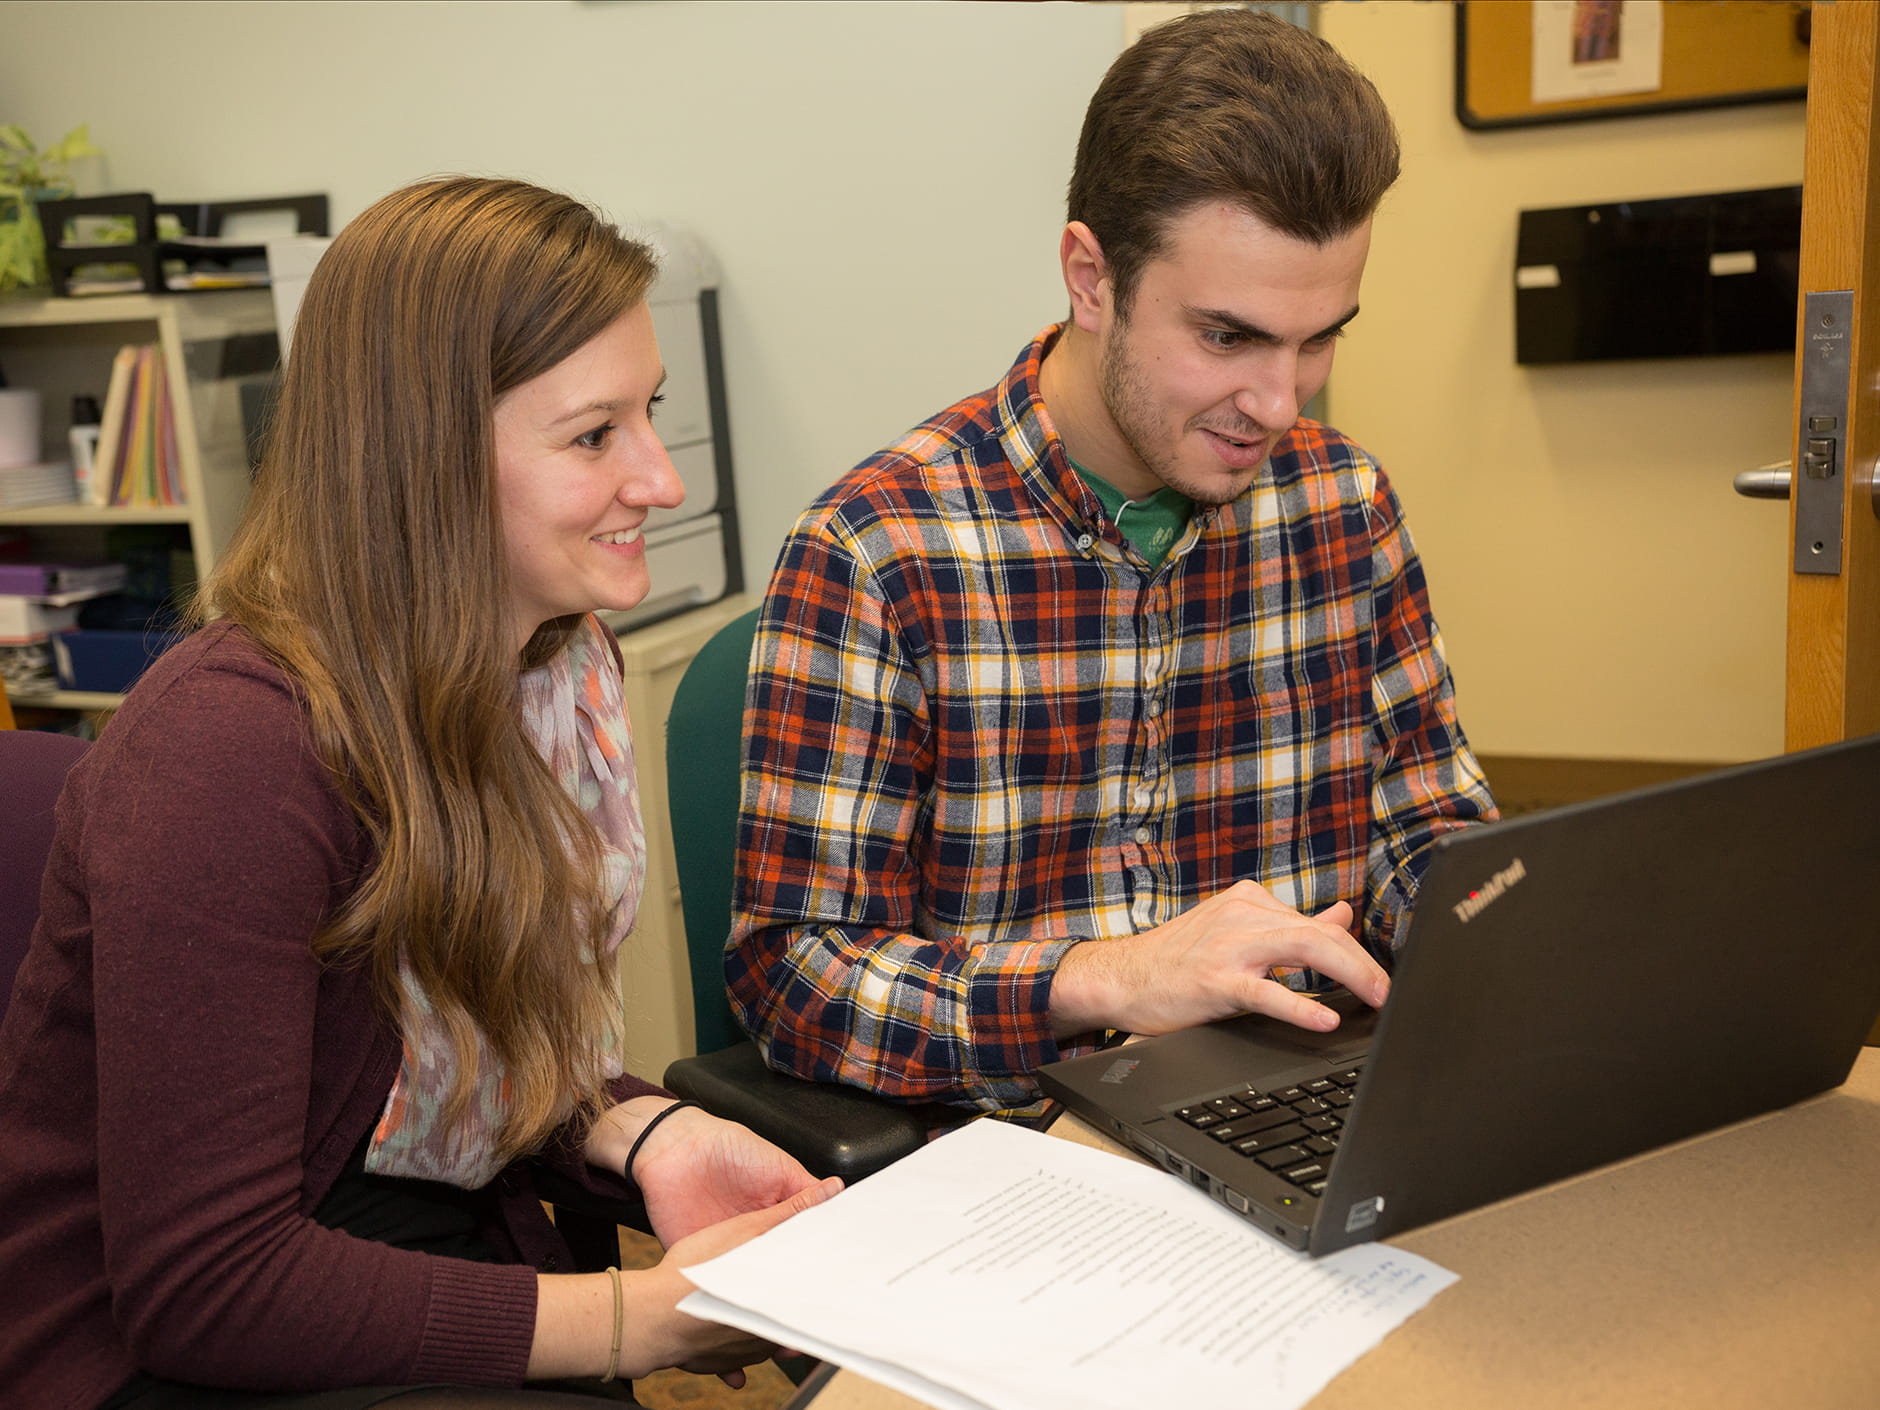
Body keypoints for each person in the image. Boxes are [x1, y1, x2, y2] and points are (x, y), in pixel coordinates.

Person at [0, 176, 839, 1408]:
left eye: (646, 413)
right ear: (423, 458)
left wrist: (648, 1132)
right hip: (158, 1348)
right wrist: (642, 1319)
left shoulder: (551, 670)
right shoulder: (228, 755)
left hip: (391, 1240)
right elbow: (207, 1289)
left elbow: (455, 1054)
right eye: (593, 434)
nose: (658, 479)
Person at [728, 10, 1498, 1115]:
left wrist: (1504, 932)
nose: (1281, 404)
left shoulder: (1345, 506)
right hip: (1027, 1152)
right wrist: (1105, 979)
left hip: (1302, 1104)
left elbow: (1424, 832)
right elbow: (793, 982)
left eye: (1319, 336)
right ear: (1090, 279)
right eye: (1227, 338)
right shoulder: (878, 551)